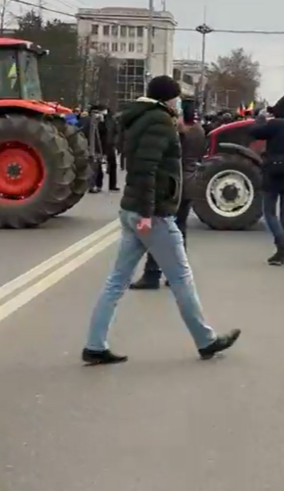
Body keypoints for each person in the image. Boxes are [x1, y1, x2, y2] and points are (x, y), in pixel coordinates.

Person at [82, 76, 241, 364]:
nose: (179, 102)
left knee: (116, 282)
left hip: (134, 209)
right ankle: (206, 341)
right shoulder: (158, 121)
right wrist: (146, 214)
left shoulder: (141, 118)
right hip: (152, 214)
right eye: (177, 97)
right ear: (168, 98)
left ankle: (95, 344)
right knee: (181, 277)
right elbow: (146, 170)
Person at [130, 99, 207, 290]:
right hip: (190, 183)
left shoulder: (179, 133)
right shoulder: (199, 131)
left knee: (159, 230)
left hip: (174, 185)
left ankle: (152, 274)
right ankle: (177, 275)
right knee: (180, 231)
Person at [251, 94, 284, 266]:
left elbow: (255, 132)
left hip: (274, 173)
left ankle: (283, 246)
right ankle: (283, 251)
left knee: (269, 213)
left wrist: (260, 118)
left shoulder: (275, 125)